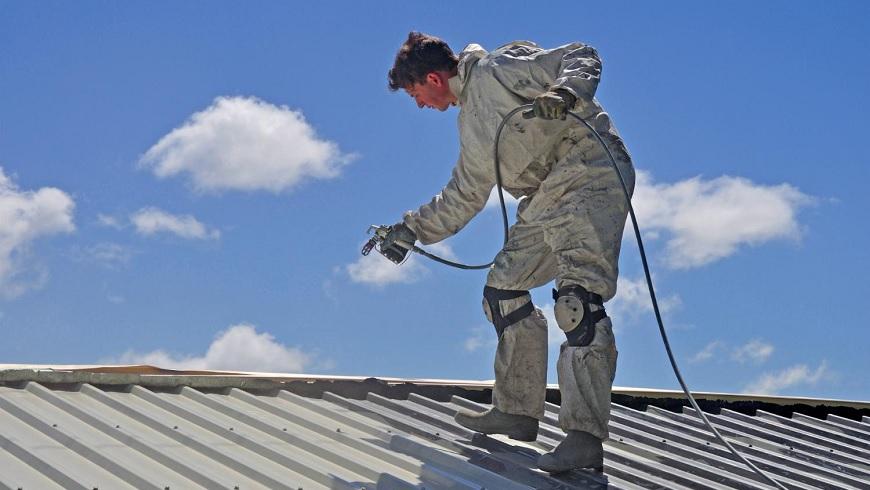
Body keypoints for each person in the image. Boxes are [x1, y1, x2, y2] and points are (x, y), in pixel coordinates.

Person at [381, 31, 635, 473]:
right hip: (545, 199)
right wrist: (410, 230)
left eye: (415, 93)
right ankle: (517, 411)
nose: (419, 104)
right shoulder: (472, 127)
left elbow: (579, 54)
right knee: (504, 291)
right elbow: (463, 195)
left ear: (435, 78)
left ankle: (583, 439)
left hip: (590, 172)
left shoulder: (500, 70)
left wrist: (566, 91)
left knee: (578, 303)